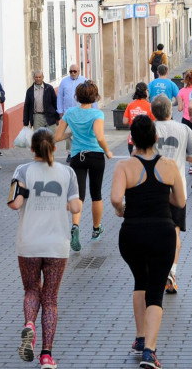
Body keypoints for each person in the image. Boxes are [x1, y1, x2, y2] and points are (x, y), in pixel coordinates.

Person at [110, 115, 185, 369]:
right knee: (156, 292)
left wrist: (122, 209)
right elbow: (180, 202)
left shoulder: (124, 166)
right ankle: (149, 353)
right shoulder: (170, 165)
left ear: (132, 139)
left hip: (131, 235)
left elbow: (115, 198)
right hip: (162, 235)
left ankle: (140, 338)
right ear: (155, 138)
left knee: (140, 281)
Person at [8, 128, 81, 369]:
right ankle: (46, 356)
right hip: (56, 245)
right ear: (54, 148)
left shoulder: (22, 171)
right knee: (50, 299)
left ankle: (29, 324)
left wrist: (23, 192)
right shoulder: (68, 172)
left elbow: (15, 203)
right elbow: (75, 206)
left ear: (32, 149)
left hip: (29, 243)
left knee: (31, 290)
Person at [55, 80, 113, 252]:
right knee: (96, 194)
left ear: (77, 96)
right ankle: (96, 229)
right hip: (95, 155)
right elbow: (99, 136)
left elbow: (58, 137)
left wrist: (72, 132)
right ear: (95, 97)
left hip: (77, 157)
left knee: (78, 195)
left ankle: (75, 226)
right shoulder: (97, 114)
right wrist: (108, 151)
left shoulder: (70, 113)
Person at [152, 94, 192, 295]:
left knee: (154, 233)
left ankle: (155, 272)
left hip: (153, 188)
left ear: (153, 112)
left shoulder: (148, 128)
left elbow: (135, 155)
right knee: (174, 232)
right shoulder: (183, 129)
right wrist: (181, 157)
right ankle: (171, 272)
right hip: (176, 188)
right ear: (170, 111)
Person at [57, 64, 97, 162]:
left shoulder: (84, 80)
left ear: (79, 71)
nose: (72, 73)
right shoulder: (64, 82)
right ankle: (70, 152)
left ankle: (81, 150)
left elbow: (92, 95)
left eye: (74, 71)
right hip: (68, 113)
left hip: (81, 112)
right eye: (71, 71)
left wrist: (95, 110)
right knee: (68, 133)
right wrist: (60, 111)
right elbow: (60, 96)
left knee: (79, 132)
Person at [123, 82, 155, 155]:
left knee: (134, 163)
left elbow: (125, 121)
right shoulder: (150, 106)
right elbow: (154, 121)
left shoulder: (130, 105)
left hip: (132, 139)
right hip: (145, 139)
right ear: (146, 91)